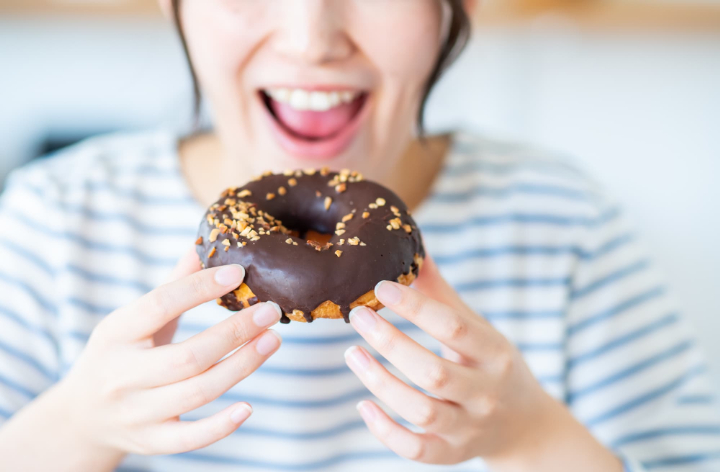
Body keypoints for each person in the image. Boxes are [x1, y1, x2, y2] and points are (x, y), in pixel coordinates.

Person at [0, 1, 718, 471]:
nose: (313, 39)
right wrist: (77, 425)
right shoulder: (57, 220)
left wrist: (533, 439)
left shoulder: (563, 223)